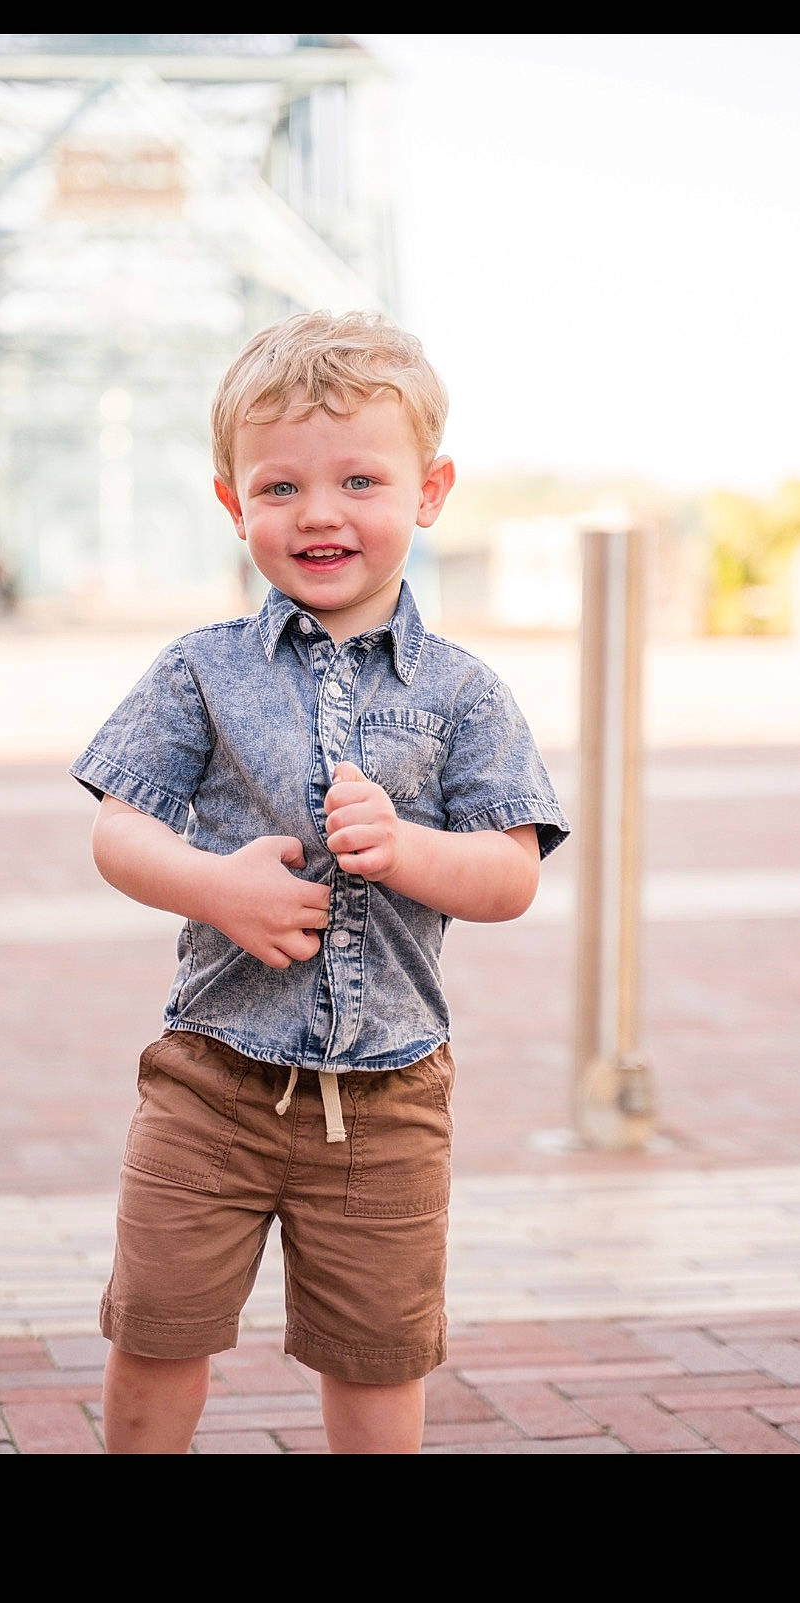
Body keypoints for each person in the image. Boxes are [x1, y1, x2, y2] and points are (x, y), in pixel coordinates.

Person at [69, 309, 570, 1454]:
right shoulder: (201, 669)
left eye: (359, 479)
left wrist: (407, 848)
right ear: (232, 503)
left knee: (378, 1357)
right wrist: (214, 886)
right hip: (210, 1080)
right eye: (281, 487)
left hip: (389, 1102)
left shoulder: (462, 691)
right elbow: (119, 830)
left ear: (429, 491)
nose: (320, 512)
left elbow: (508, 875)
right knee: (156, 1329)